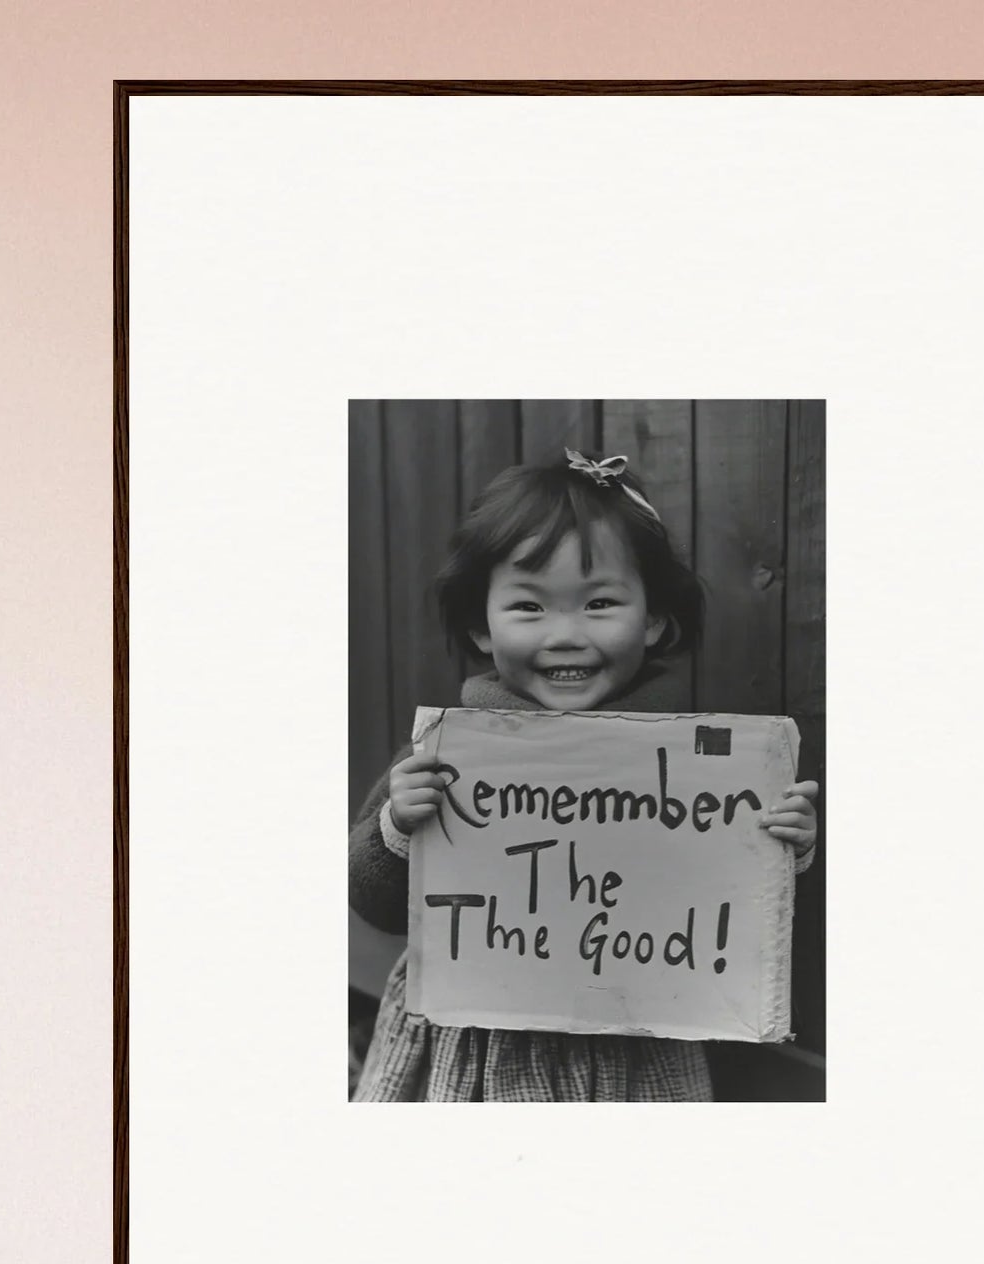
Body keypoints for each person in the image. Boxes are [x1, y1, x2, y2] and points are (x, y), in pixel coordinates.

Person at [350, 449, 820, 1101]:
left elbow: (729, 902)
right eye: (530, 608)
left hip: (636, 1042)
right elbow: (372, 903)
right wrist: (398, 826)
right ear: (481, 629)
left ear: (653, 618)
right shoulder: (443, 759)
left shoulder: (698, 775)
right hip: (479, 1041)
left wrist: (783, 848)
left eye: (599, 603)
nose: (567, 634)